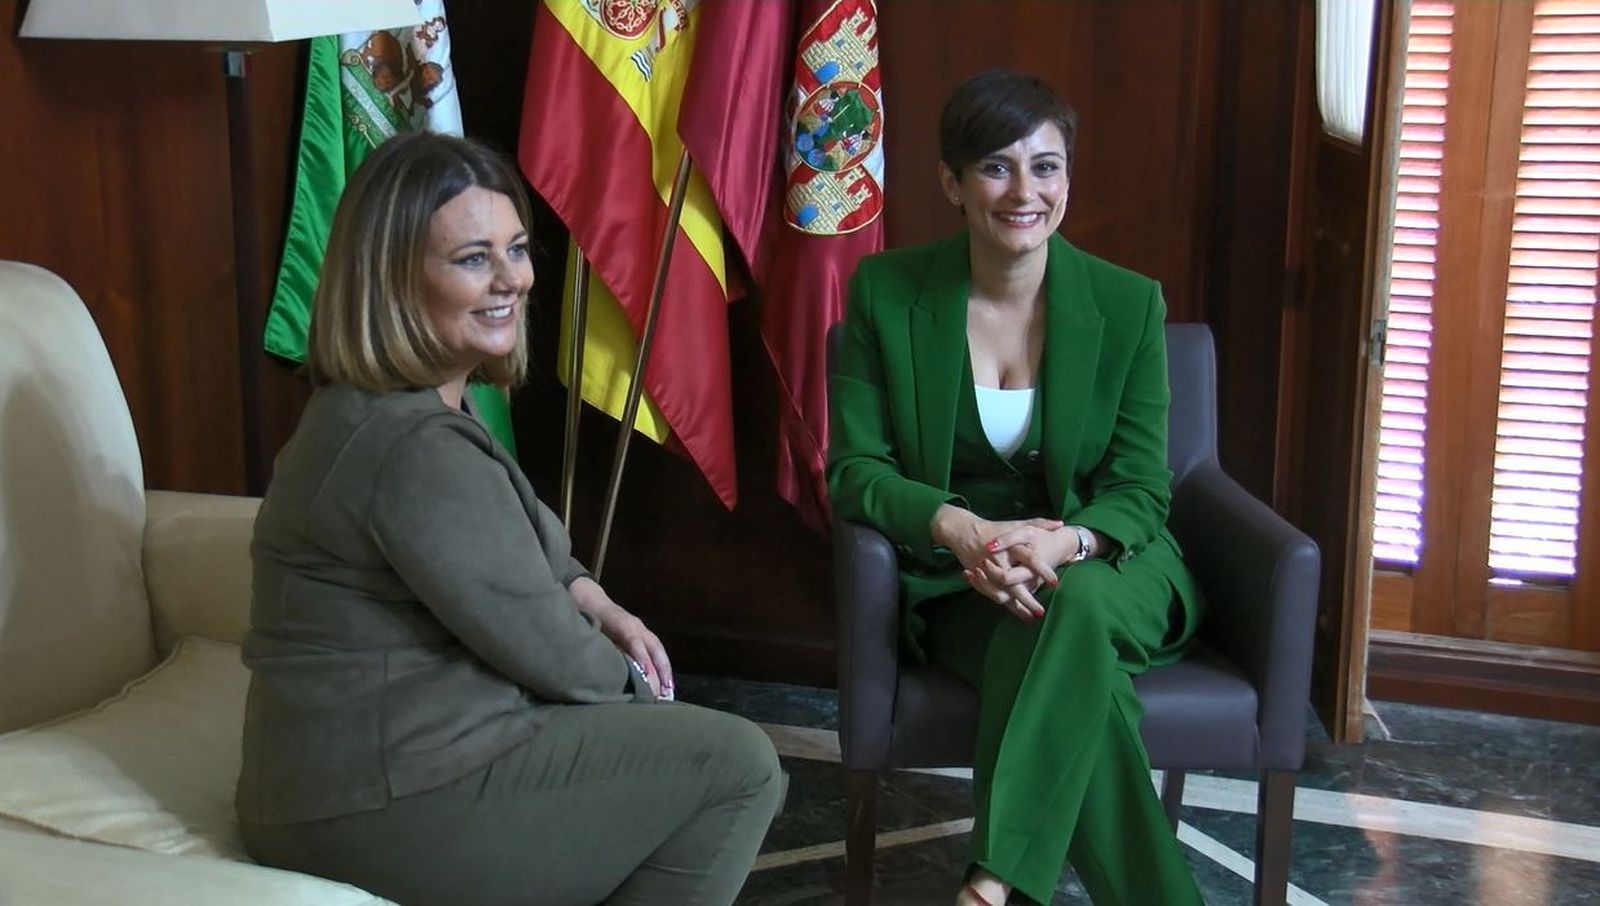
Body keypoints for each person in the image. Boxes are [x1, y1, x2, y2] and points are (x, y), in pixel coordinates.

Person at [236, 131, 783, 906]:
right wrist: (640, 695)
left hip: (341, 784)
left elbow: (527, 544)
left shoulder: (387, 409)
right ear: (391, 280)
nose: (511, 281)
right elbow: (556, 655)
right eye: (472, 259)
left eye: (517, 249)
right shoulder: (417, 447)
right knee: (735, 764)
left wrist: (592, 595)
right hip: (379, 802)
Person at [827, 70, 1206, 906]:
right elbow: (854, 473)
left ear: (1068, 179)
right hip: (964, 582)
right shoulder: (885, 295)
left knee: (1072, 604)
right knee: (1075, 670)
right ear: (951, 184)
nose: (1025, 191)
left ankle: (993, 883)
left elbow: (1142, 488)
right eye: (996, 167)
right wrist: (965, 531)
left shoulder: (1128, 303)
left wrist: (1065, 543)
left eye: (1047, 166)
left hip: (1113, 564)